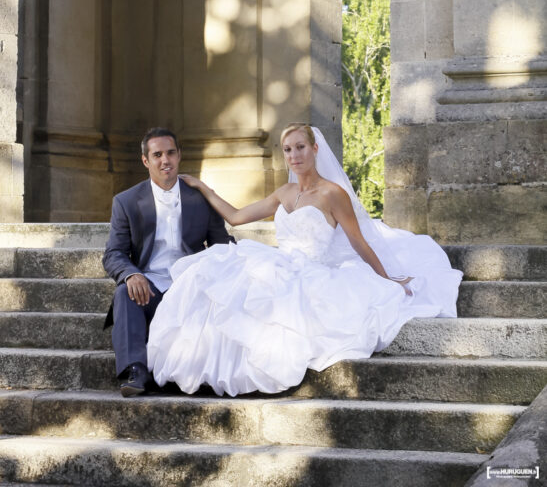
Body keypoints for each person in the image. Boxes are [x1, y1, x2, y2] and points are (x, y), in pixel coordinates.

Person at [147, 123, 463, 397]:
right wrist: (202, 186)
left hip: (313, 269)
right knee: (217, 274)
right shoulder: (284, 192)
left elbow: (358, 241)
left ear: (314, 149)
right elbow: (236, 216)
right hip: (281, 263)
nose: (294, 155)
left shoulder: (332, 194)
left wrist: (386, 277)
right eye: (287, 150)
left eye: (300, 147)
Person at [102, 127, 234, 397]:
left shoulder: (201, 198)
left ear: (179, 155)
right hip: (150, 288)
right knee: (124, 292)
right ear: (145, 160)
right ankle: (136, 370)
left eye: (171, 153)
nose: (165, 160)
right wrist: (131, 274)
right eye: (157, 154)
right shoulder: (126, 201)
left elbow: (221, 245)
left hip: (191, 288)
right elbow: (113, 253)